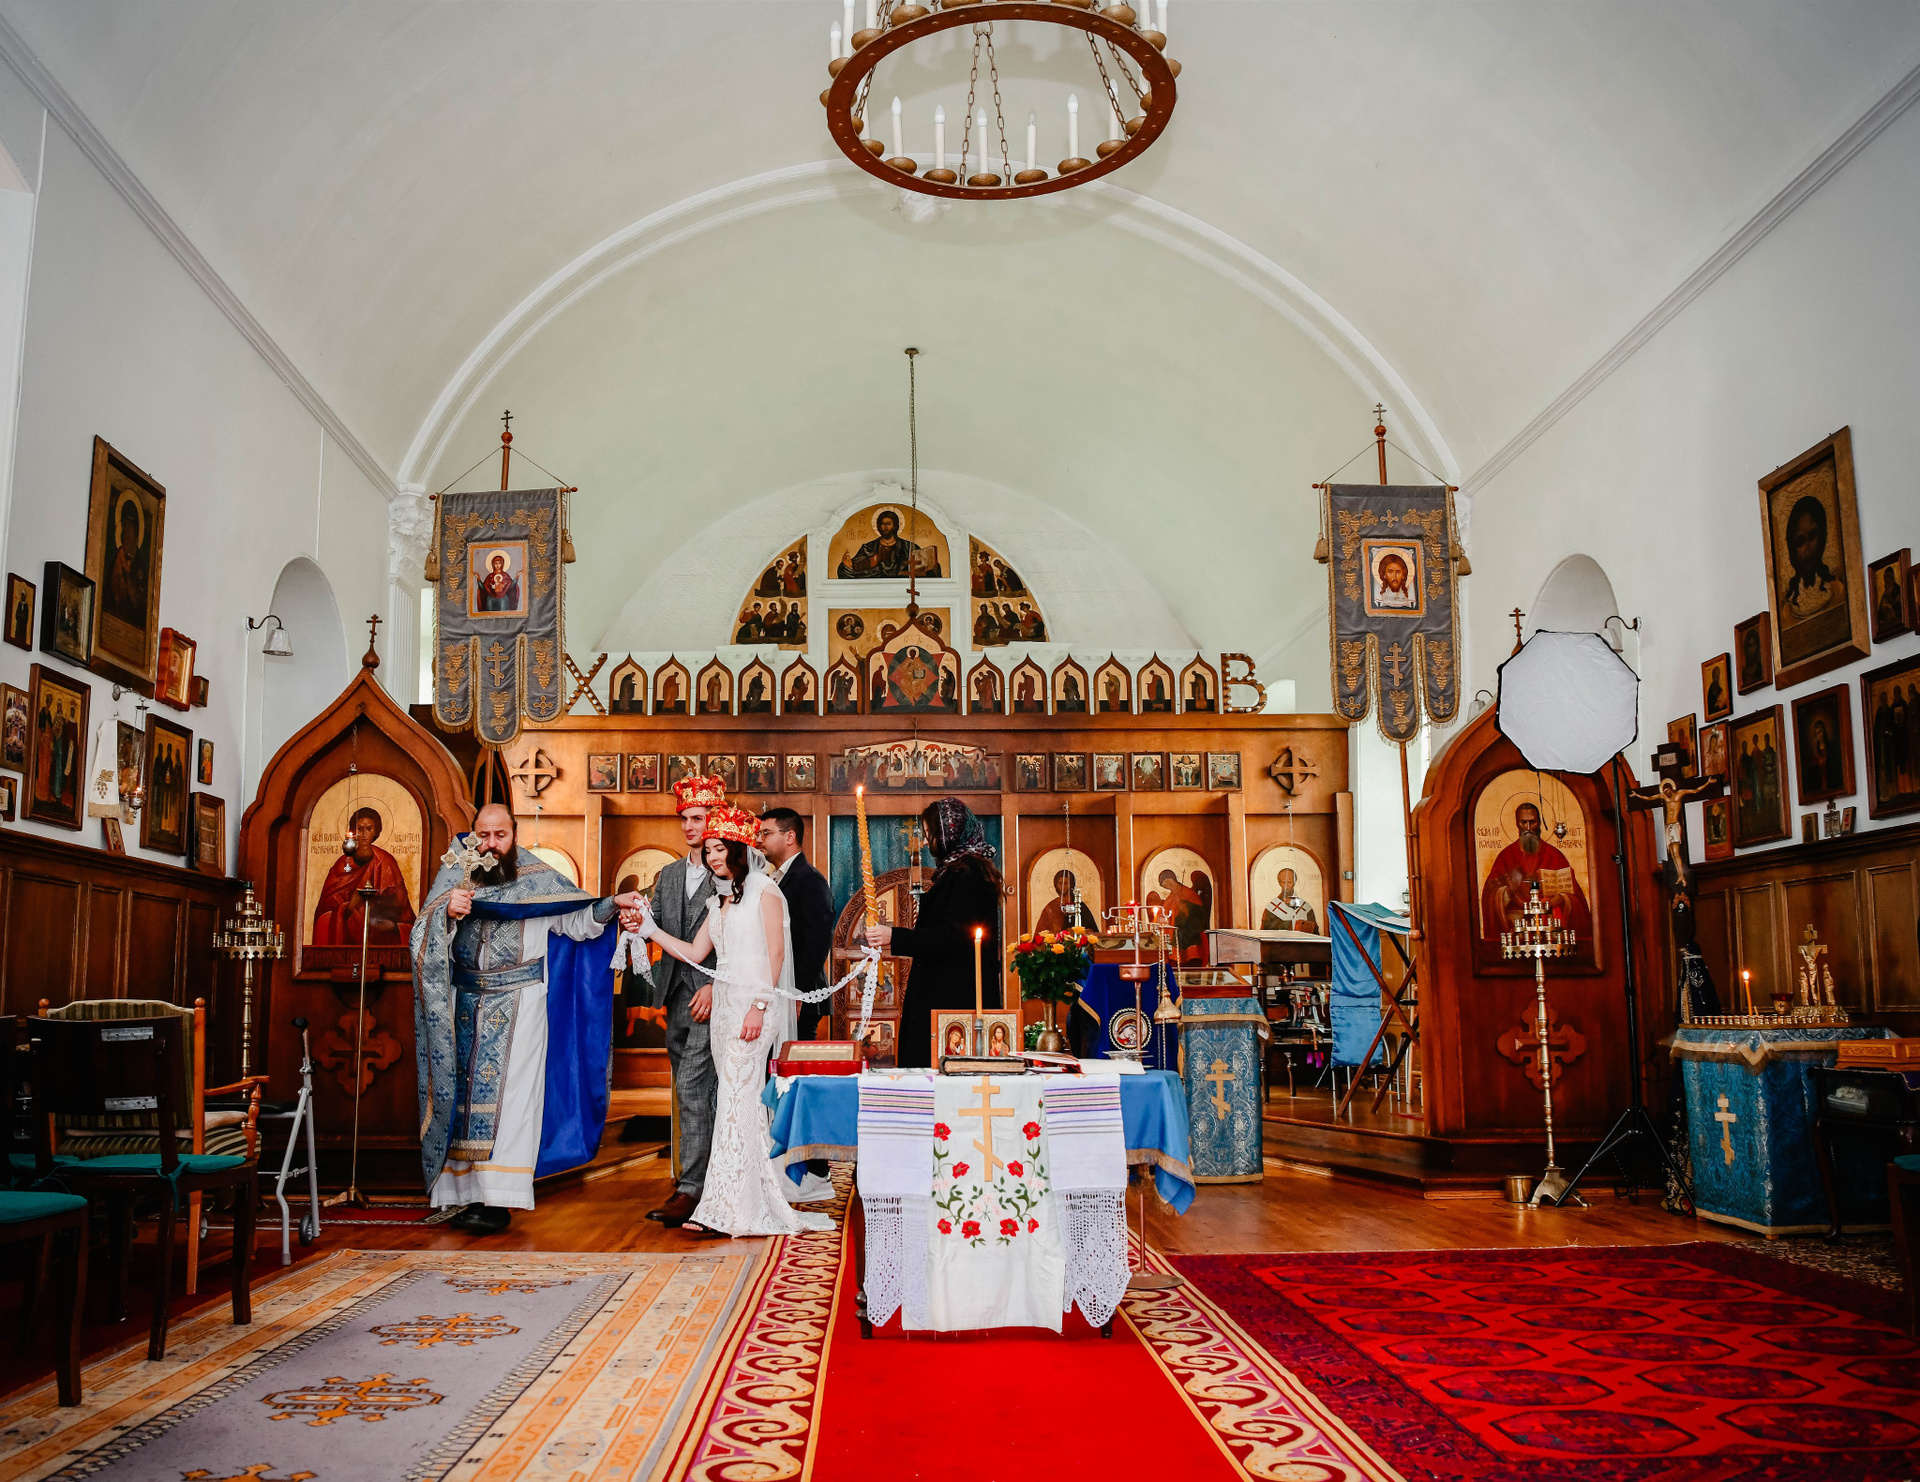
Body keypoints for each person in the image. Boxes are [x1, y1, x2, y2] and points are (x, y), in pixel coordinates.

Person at [412, 804, 641, 1235]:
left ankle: (498, 1197)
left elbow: (578, 923)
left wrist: (613, 903)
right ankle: (461, 1194)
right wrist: (445, 914)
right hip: (463, 1003)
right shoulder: (456, 876)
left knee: (513, 1101)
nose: (491, 845)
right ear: (472, 835)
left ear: (514, 835)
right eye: (483, 835)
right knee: (460, 1100)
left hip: (519, 1006)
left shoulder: (537, 881)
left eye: (500, 835)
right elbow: (423, 935)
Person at [629, 804, 835, 1238]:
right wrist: (649, 930)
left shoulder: (765, 891)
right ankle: (734, 1199)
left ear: (739, 850)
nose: (712, 857)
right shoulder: (718, 900)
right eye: (708, 851)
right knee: (730, 1103)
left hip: (753, 1009)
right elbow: (694, 952)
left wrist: (759, 1006)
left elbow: (776, 955)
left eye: (720, 848)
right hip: (723, 1010)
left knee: (739, 1100)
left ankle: (731, 1208)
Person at [642, 774, 725, 1229]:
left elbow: (740, 940)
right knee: (690, 1091)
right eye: (685, 819)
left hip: (711, 996)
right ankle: (705, 1178)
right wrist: (634, 919)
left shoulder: (731, 871)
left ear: (715, 820)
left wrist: (716, 985)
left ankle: (691, 1189)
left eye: (698, 818)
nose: (690, 826)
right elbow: (654, 922)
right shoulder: (670, 874)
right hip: (674, 994)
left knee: (693, 1086)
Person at [863, 798, 1003, 1069]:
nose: (926, 843)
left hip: (955, 993)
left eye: (930, 835)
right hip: (947, 987)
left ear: (949, 832)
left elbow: (952, 935)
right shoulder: (957, 870)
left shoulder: (969, 873)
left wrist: (894, 936)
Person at [760, 808, 833, 1044]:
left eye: (766, 833)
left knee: (793, 1058)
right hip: (778, 988)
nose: (759, 840)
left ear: (789, 836)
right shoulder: (775, 877)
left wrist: (797, 991)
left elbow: (817, 941)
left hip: (799, 994)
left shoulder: (809, 878)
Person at [1479, 802, 1593, 943]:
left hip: (1550, 927)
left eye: (1532, 822)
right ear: (1516, 823)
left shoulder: (1554, 855)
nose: (1528, 828)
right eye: (1523, 822)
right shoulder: (1506, 856)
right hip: (1517, 929)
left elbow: (1575, 897)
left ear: (1539, 823)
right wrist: (1509, 890)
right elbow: (1490, 896)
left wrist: (1560, 899)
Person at [312, 805, 416, 946]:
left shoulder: (386, 862)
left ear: (376, 831)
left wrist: (394, 927)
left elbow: (403, 910)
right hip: (346, 940)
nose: (364, 834)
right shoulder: (342, 865)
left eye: (369, 829)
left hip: (381, 939)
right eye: (360, 829)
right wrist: (348, 907)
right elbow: (324, 913)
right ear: (353, 831)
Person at [1261, 869, 1318, 933]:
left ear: (1294, 882)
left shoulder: (1305, 907)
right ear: (1279, 883)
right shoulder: (1272, 907)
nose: (1286, 886)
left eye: (1289, 882)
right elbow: (1266, 932)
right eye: (1284, 882)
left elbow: (1314, 932)